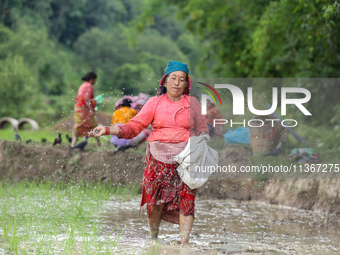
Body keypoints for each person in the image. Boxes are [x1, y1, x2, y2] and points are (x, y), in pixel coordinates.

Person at [89, 61, 208, 244]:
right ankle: (153, 240)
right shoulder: (154, 102)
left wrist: (203, 145)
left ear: (186, 84)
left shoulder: (193, 103)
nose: (177, 82)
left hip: (186, 158)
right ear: (165, 82)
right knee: (155, 202)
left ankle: (184, 243)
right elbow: (133, 127)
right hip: (157, 157)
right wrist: (107, 129)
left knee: (187, 199)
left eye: (181, 79)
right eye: (173, 78)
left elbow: (202, 129)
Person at [72, 72, 101, 147]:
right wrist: (91, 110)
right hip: (84, 110)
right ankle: (99, 144)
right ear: (91, 79)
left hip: (78, 109)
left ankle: (73, 144)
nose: (95, 82)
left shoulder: (82, 85)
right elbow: (87, 99)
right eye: (95, 80)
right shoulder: (89, 86)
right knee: (93, 125)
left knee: (78, 126)